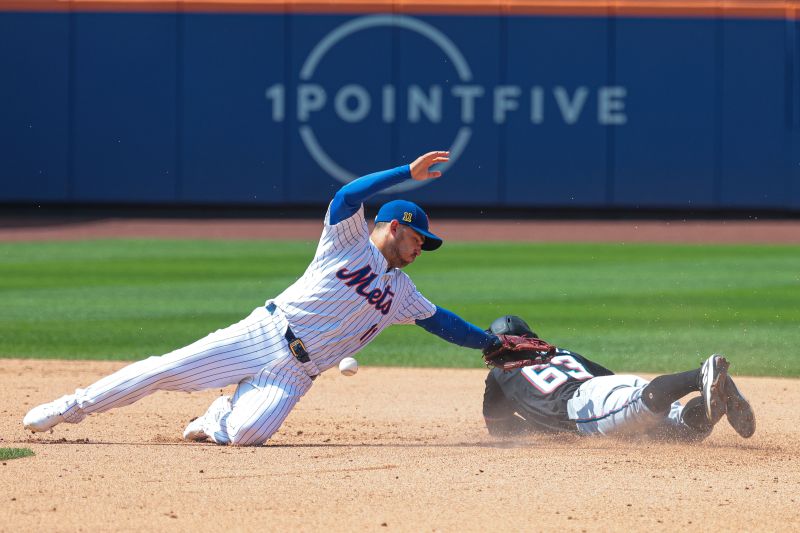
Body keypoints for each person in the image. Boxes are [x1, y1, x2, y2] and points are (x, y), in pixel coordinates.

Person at [23, 150, 501, 445]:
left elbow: (443, 322)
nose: (422, 248)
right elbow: (349, 194)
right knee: (164, 370)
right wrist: (406, 172)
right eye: (419, 240)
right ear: (395, 227)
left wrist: (491, 345)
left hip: (296, 373)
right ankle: (72, 406)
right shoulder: (347, 241)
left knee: (247, 436)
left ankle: (217, 419)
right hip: (265, 333)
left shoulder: (402, 292)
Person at [482, 315, 756, 441]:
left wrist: (536, 427)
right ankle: (716, 397)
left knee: (641, 406)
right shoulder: (559, 352)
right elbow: (605, 377)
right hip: (609, 386)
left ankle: (701, 375)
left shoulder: (499, 373)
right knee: (684, 431)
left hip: (582, 407)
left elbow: (499, 427)